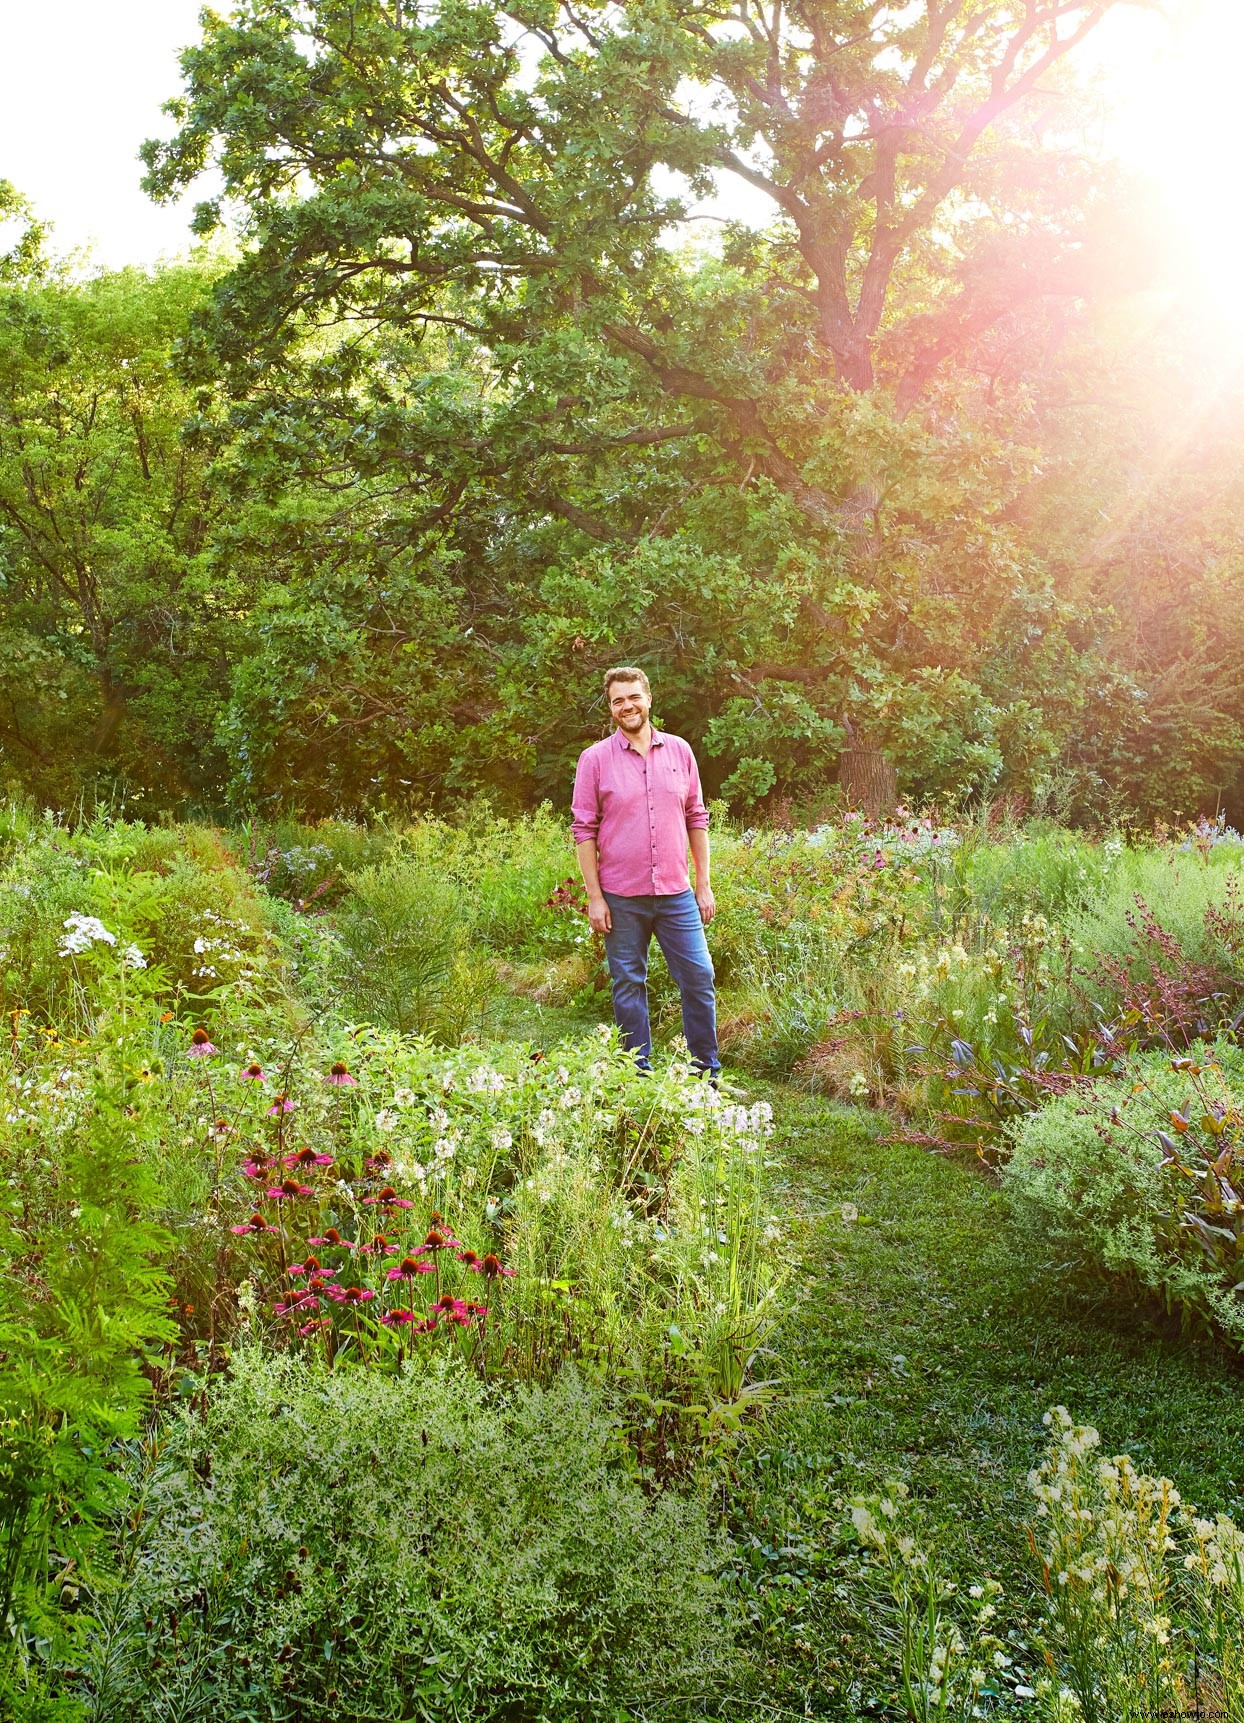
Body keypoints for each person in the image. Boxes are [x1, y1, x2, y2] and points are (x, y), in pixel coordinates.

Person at [570, 666, 720, 1078]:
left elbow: (696, 818)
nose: (627, 706)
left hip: (676, 894)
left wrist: (703, 885)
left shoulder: (679, 751)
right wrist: (595, 897)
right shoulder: (595, 760)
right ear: (611, 708)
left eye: (633, 697)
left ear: (649, 699)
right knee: (628, 985)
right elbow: (584, 831)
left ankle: (705, 1075)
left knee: (699, 978)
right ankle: (638, 1076)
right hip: (621, 896)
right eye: (618, 700)